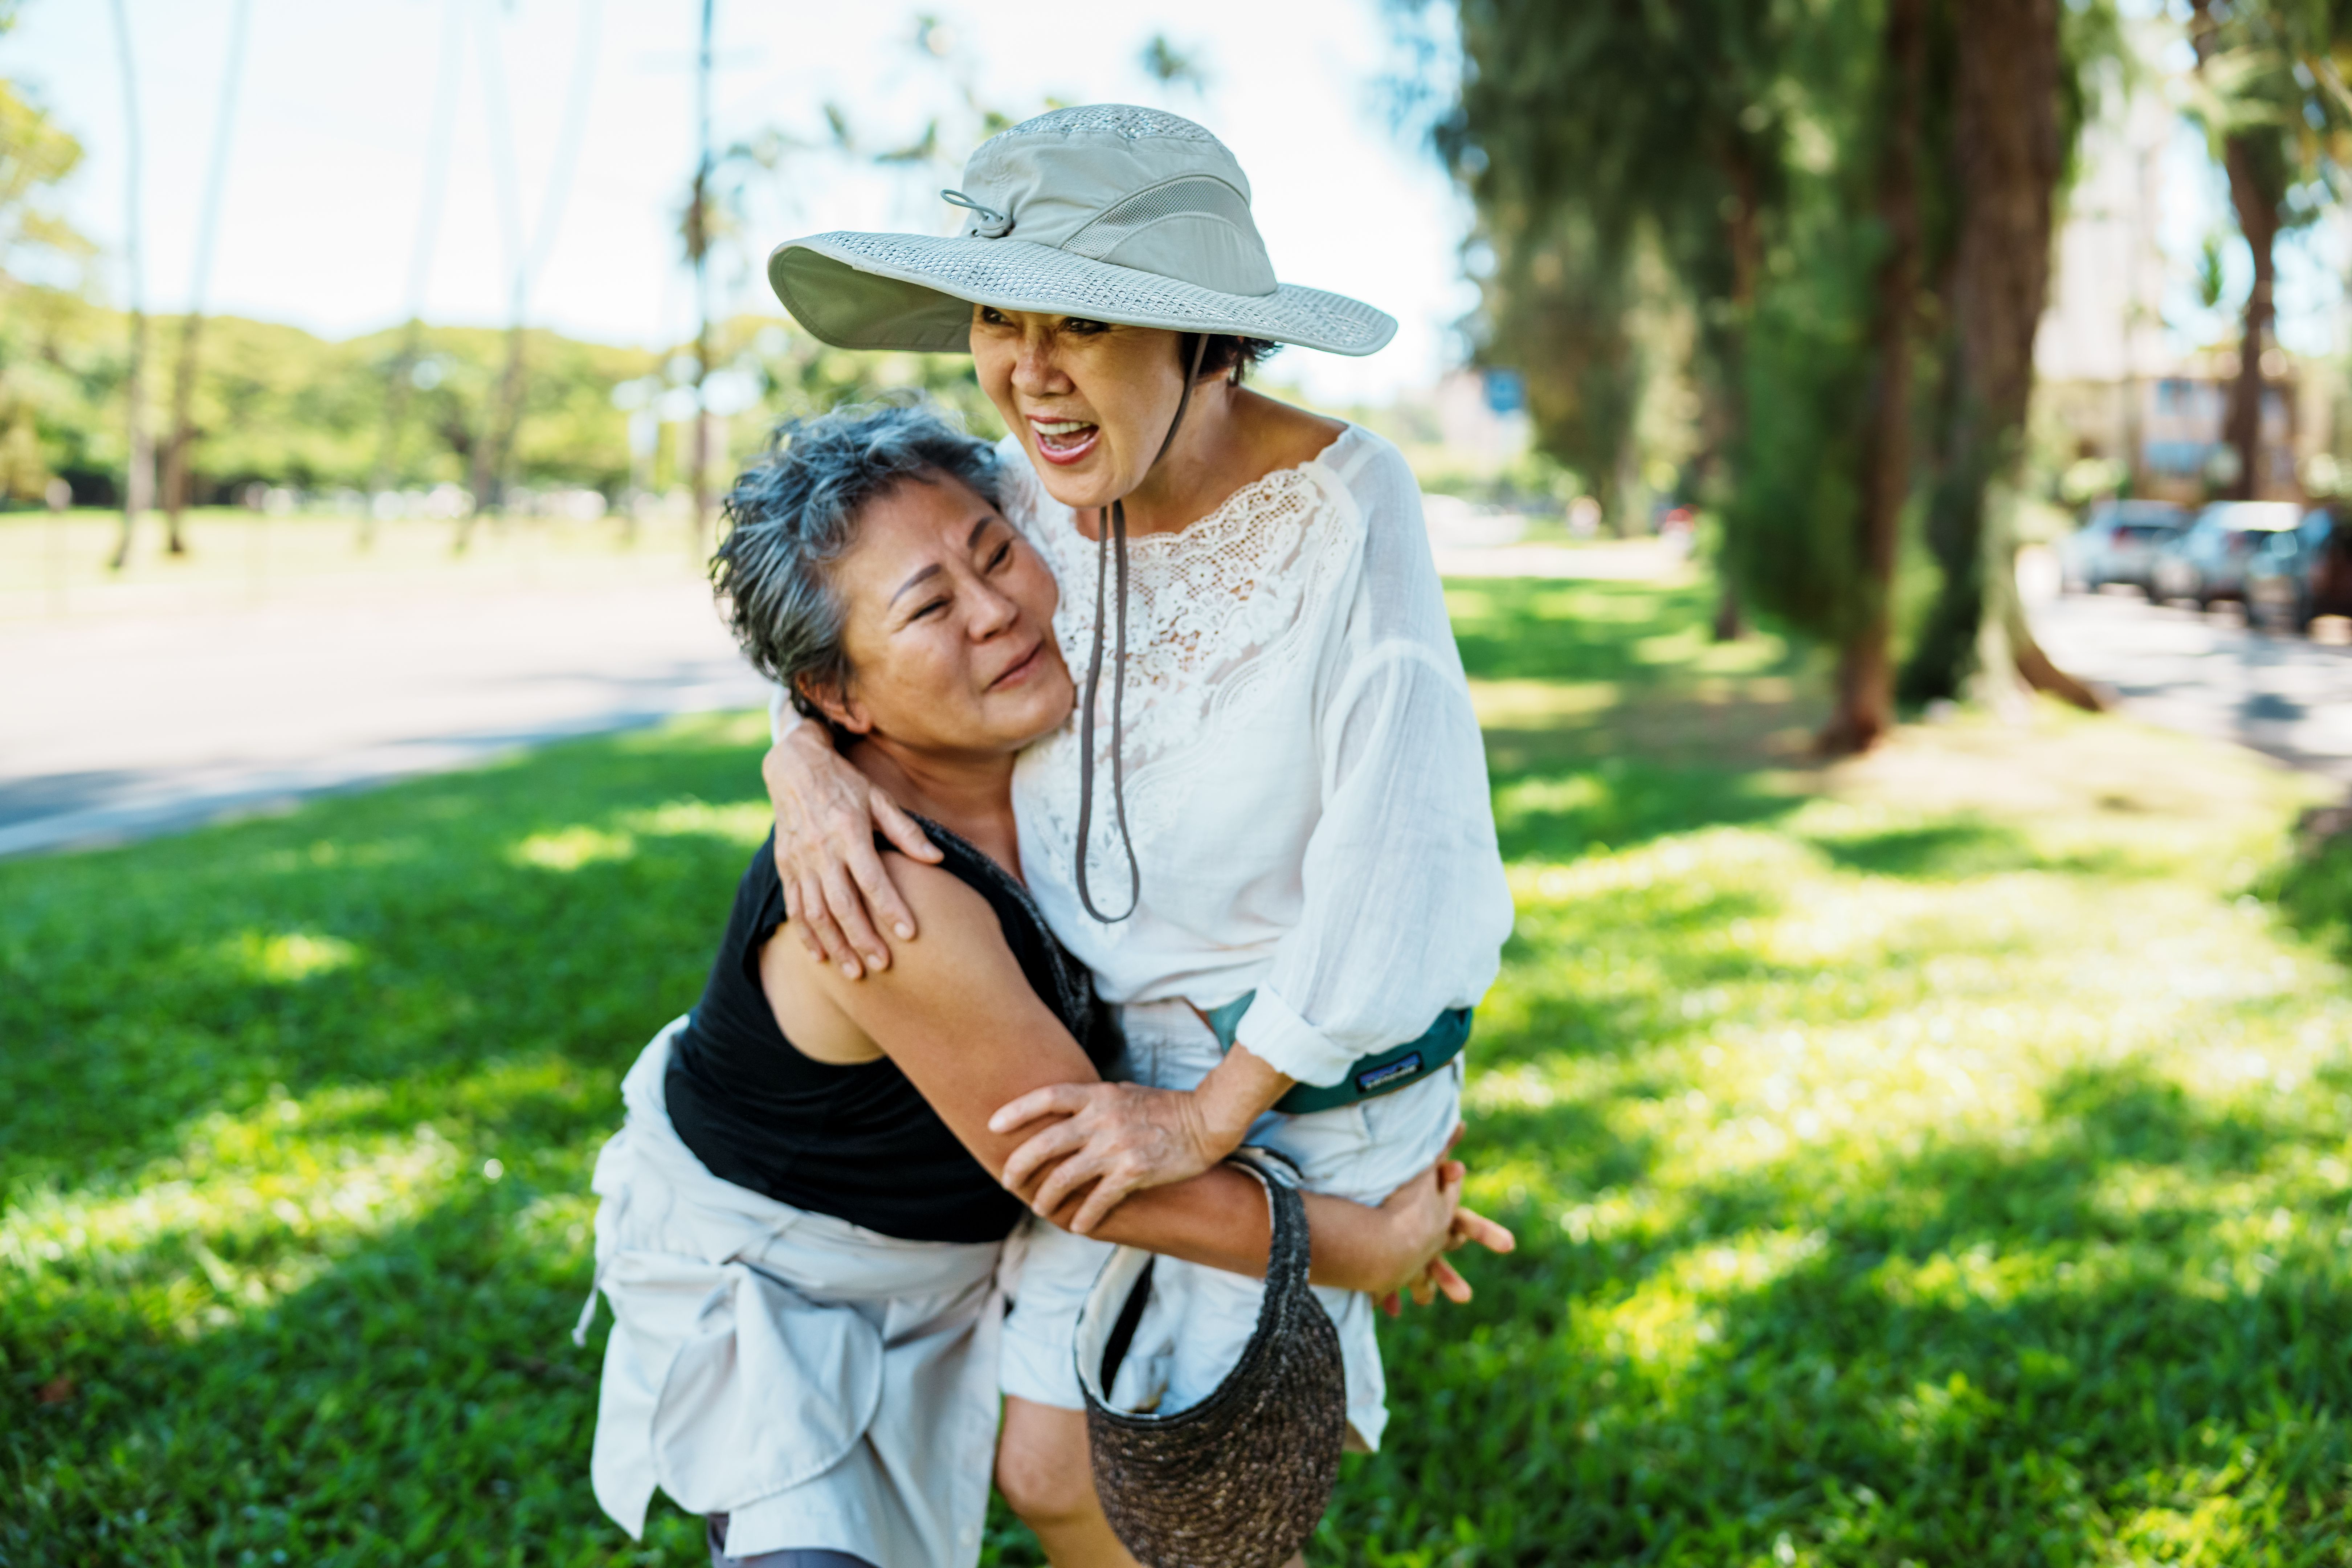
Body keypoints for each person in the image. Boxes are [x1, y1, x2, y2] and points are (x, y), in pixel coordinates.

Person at [757, 105, 1516, 1560]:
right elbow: (849, 627)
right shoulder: (1018, 484)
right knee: (1046, 1466)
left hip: (1302, 1073)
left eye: (1083, 326)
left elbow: (1398, 852)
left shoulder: (1351, 505)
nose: (1028, 374)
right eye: (997, 318)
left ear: (1202, 339)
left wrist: (1210, 1117)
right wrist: (802, 757)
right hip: (1111, 1058)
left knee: (1202, 1490)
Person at [579, 405, 1507, 1568]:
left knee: (1089, 1483)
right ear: (845, 701)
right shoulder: (889, 894)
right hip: (794, 1284)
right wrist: (1364, 1248)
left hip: (979, 1248)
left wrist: (796, 750)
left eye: (998, 553)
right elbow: (1086, 1177)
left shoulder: (1032, 721)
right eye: (930, 607)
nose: (998, 609)